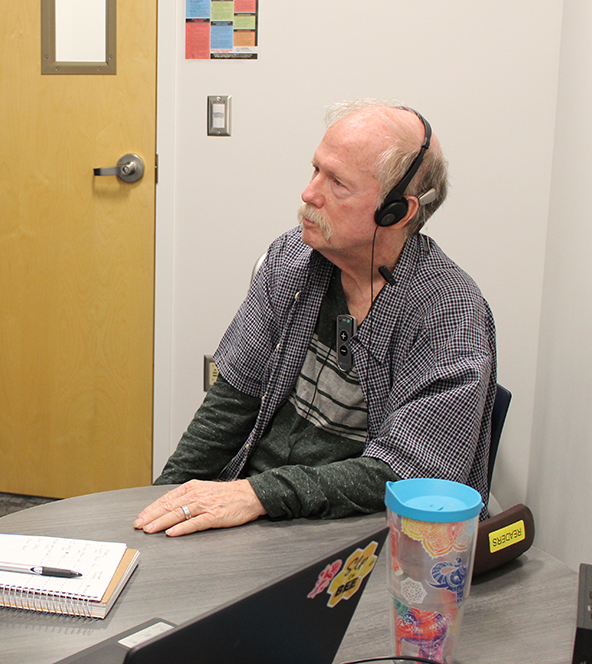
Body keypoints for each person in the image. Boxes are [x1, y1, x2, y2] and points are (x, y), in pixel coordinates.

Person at [135, 100, 497, 538]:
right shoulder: (291, 259)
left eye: (338, 184)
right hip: (261, 508)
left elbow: (409, 471)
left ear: (397, 212)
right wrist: (161, 503)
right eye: (315, 170)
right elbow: (232, 401)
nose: (309, 193)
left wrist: (257, 495)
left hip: (360, 531)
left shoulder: (449, 313)